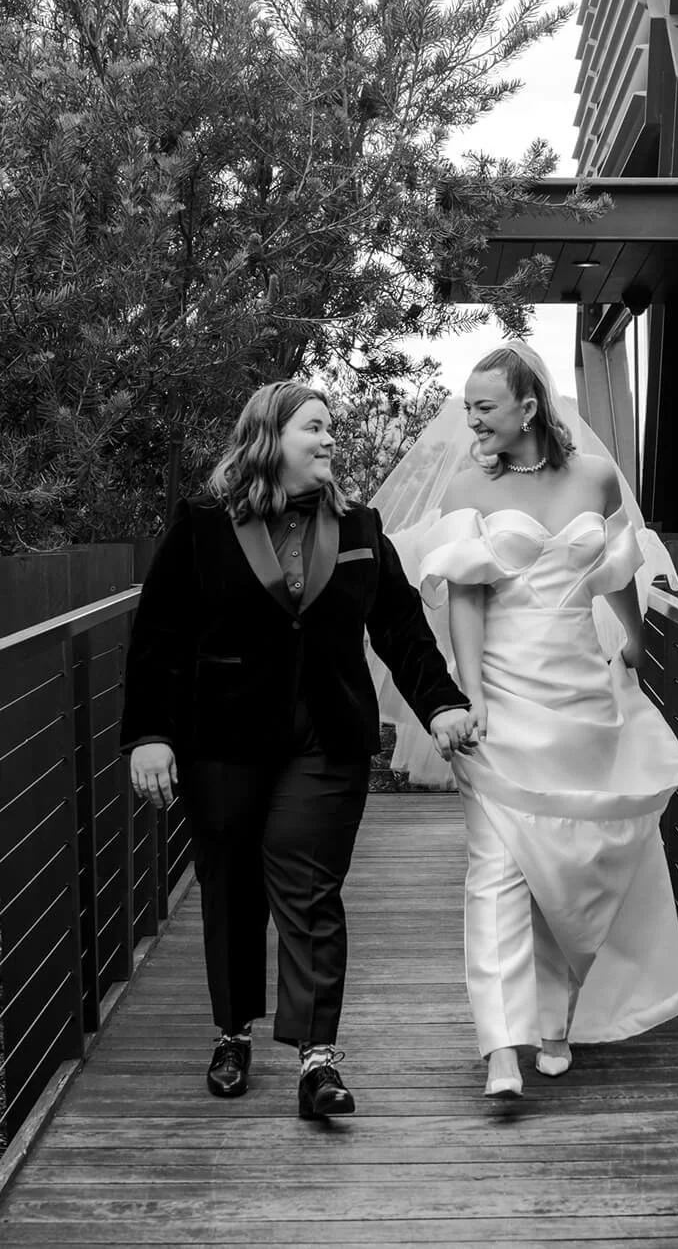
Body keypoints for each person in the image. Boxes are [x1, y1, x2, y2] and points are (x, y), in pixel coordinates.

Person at [120, 381, 475, 1118]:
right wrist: (150, 735)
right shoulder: (202, 526)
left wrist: (441, 704)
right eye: (316, 427)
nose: (331, 439)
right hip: (222, 739)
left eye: (333, 428)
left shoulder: (360, 528)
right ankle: (231, 1033)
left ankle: (318, 1060)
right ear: (270, 437)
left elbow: (402, 630)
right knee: (231, 887)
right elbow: (159, 641)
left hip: (326, 740)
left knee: (309, 888)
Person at [382, 341, 678, 1098]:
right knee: (496, 870)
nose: (471, 420)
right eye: (468, 406)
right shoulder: (468, 487)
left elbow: (617, 571)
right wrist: (472, 693)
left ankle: (555, 1018)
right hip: (504, 698)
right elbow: (465, 596)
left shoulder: (593, 474)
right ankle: (500, 1046)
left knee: (572, 861)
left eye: (484, 407)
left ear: (529, 406)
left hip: (583, 698)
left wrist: (640, 646)